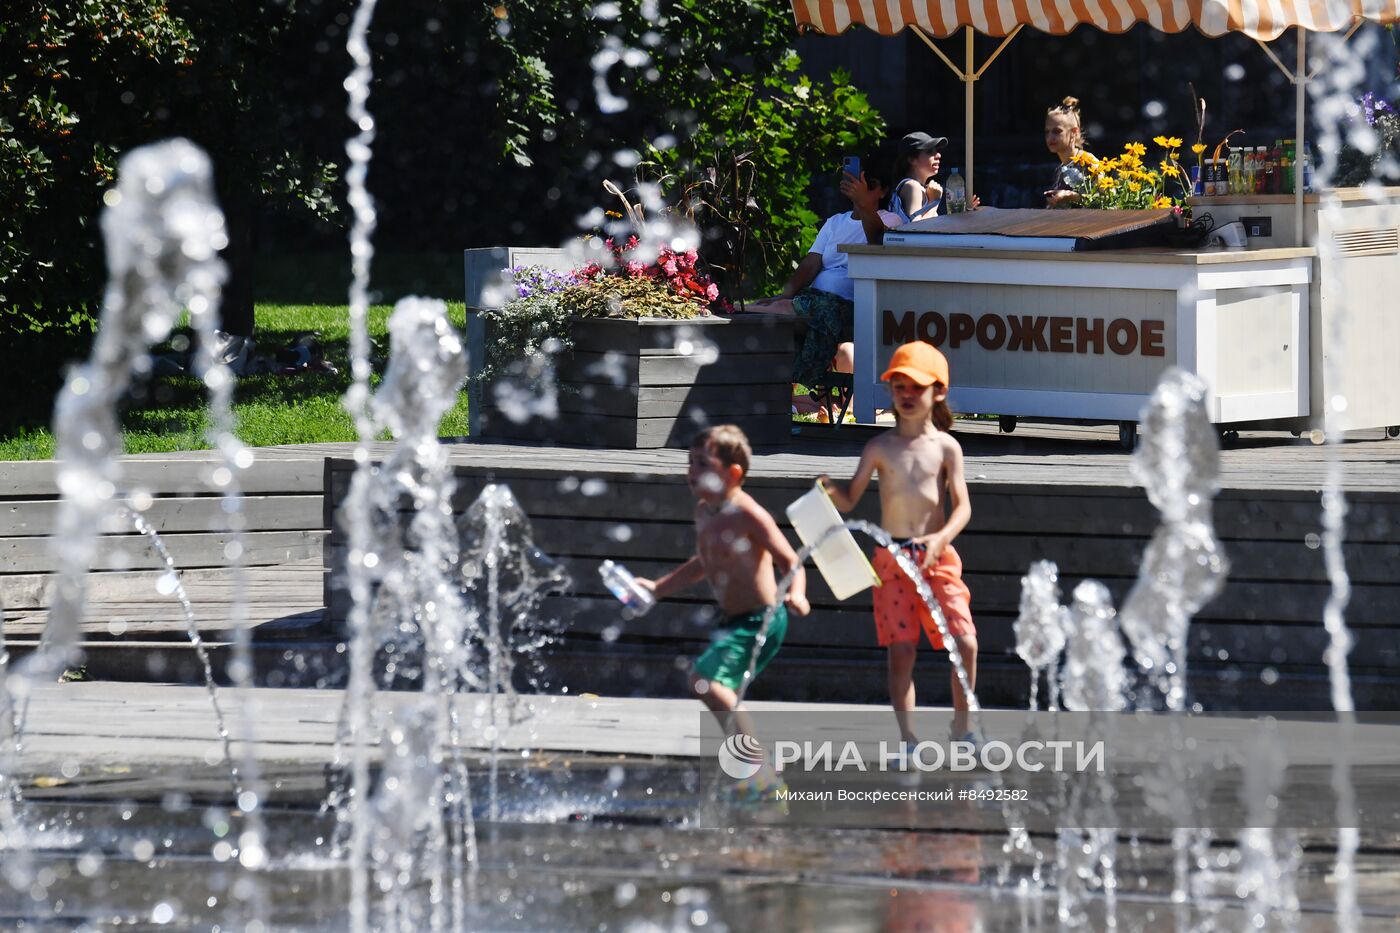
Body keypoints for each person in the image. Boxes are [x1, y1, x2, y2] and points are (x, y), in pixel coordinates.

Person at [818, 341, 978, 747]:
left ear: (937, 392)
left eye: (916, 388)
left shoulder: (946, 447)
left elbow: (962, 508)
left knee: (965, 642)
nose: (906, 395)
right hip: (892, 560)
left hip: (937, 557)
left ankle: (963, 729)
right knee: (901, 651)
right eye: (899, 387)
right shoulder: (878, 448)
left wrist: (942, 538)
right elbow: (851, 498)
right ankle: (908, 739)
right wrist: (828, 491)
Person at [635, 425, 810, 792]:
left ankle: (758, 769)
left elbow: (791, 561)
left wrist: (798, 594)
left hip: (762, 619)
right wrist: (658, 588)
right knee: (714, 687)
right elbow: (704, 561)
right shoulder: (704, 512)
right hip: (734, 622)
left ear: (732, 474)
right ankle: (752, 773)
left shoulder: (749, 515)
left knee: (707, 682)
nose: (692, 472)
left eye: (702, 463)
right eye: (690, 463)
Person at [751, 161, 901, 413]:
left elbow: (877, 239)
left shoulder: (890, 219)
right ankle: (797, 399)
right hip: (817, 300)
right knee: (781, 313)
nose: (860, 189)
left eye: (869, 185)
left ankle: (737, 311)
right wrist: (786, 293)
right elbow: (811, 264)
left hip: (851, 307)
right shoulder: (834, 222)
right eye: (856, 182)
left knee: (786, 310)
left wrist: (864, 203)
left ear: (883, 191)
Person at [1044, 96, 1092, 208]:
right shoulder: (1060, 168)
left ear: (1074, 132)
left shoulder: (1088, 162)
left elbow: (1104, 201)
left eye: (1057, 131)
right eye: (1047, 132)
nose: (1050, 137)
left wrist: (1069, 195)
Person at [889, 132, 948, 223]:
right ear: (912, 159)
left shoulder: (918, 187)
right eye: (929, 152)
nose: (938, 155)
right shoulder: (912, 186)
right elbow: (916, 228)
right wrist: (934, 202)